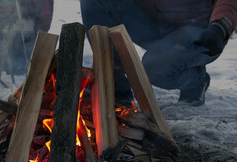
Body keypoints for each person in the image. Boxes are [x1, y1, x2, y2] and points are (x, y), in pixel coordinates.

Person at [80, 0, 237, 106]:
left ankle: (196, 81)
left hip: (201, 33)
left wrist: (220, 27)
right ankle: (117, 88)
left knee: (153, 69)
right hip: (154, 23)